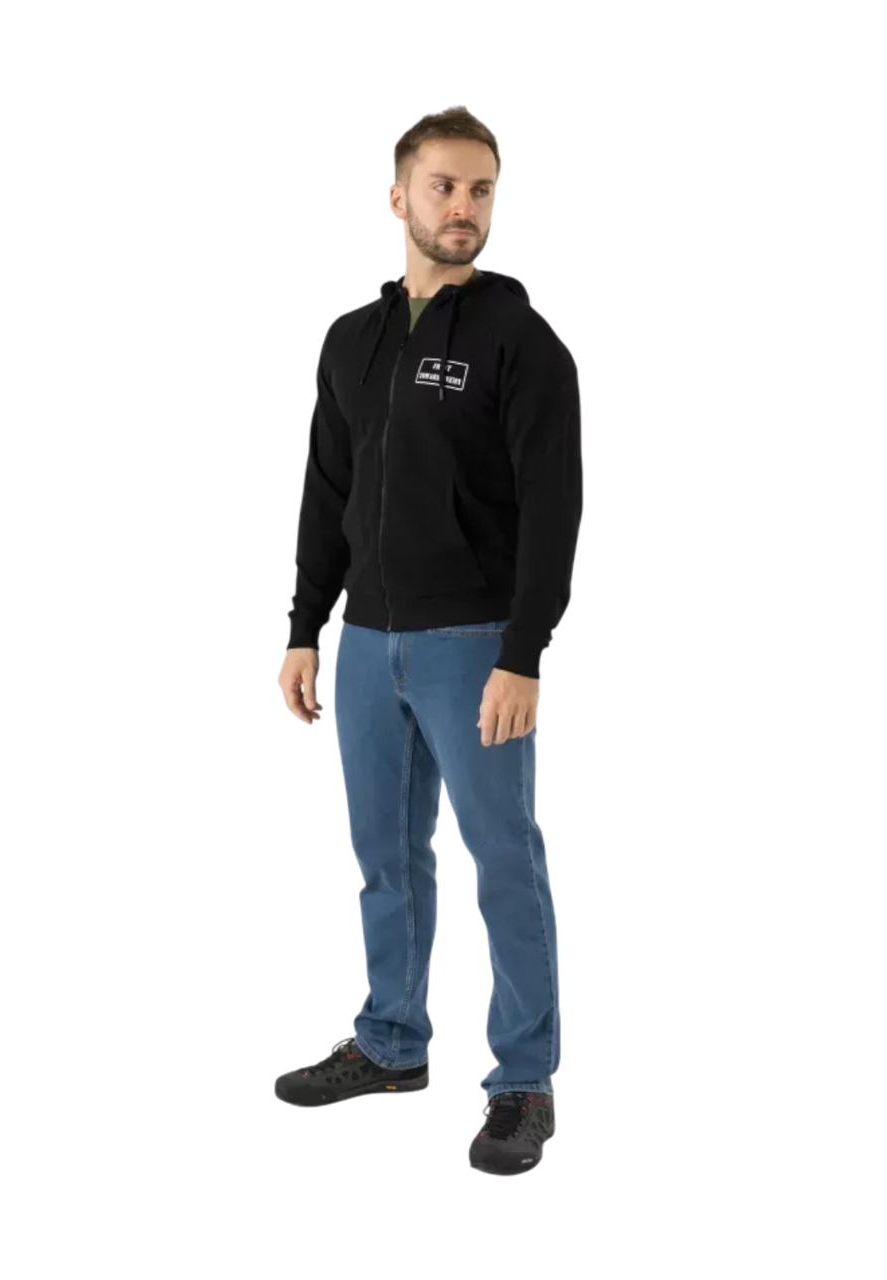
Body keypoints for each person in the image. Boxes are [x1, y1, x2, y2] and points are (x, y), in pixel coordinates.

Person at [272, 106, 580, 1177]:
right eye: (444, 186)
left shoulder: (519, 341)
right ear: (396, 198)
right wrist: (304, 633)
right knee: (383, 859)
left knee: (503, 861)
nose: (464, 206)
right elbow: (327, 493)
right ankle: (392, 1041)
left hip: (474, 645)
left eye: (481, 189)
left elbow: (553, 510)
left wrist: (522, 653)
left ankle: (523, 1080)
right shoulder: (349, 341)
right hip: (364, 644)